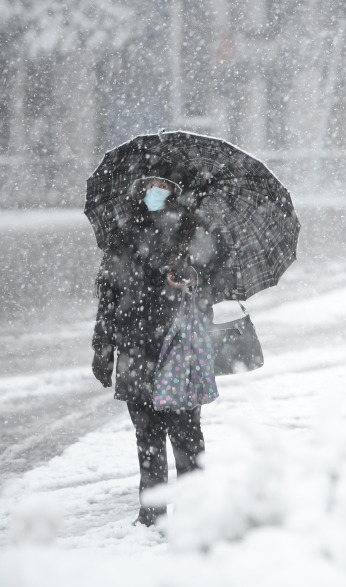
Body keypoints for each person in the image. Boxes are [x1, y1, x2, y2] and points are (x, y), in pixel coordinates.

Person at [91, 166, 233, 527]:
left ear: (175, 190)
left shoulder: (197, 232)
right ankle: (151, 514)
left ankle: (194, 512)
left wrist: (191, 278)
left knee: (187, 436)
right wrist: (103, 347)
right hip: (135, 348)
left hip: (179, 348)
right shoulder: (123, 235)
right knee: (147, 438)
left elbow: (218, 282)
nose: (154, 191)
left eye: (162, 185)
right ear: (139, 189)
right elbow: (109, 295)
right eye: (148, 185)